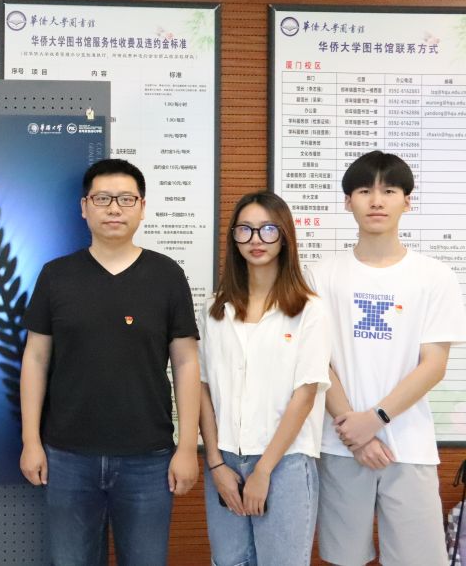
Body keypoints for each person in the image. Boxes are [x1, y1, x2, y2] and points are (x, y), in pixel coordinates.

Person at [18, 158, 201, 566]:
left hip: (148, 457)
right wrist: (31, 441)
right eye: (102, 199)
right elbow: (35, 358)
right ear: (84, 207)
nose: (114, 208)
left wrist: (188, 446)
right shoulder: (56, 275)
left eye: (125, 199)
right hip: (67, 456)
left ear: (142, 207)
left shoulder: (167, 276)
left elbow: (186, 362)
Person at [309, 150, 465, 566]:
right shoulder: (320, 275)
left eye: (389, 190)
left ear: (407, 201)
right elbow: (316, 360)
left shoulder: (435, 276)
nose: (376, 201)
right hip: (340, 444)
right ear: (348, 201)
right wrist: (354, 431)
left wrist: (374, 419)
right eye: (364, 191)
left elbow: (434, 364)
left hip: (408, 445)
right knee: (344, 559)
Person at [198, 191, 332, 566]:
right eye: (245, 229)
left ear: (285, 236)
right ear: (233, 238)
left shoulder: (309, 310)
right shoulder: (214, 309)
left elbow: (305, 395)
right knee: (229, 562)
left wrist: (263, 470)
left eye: (268, 229)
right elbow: (202, 389)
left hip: (285, 462)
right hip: (224, 461)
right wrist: (216, 464)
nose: (256, 239)